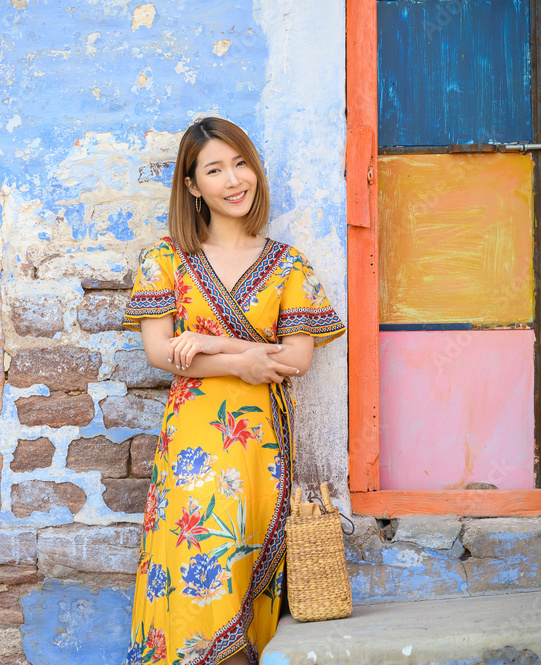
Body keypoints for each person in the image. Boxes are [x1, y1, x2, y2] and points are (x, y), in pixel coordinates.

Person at [122, 117, 345, 665]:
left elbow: (295, 358)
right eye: (215, 170)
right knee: (198, 585)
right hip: (193, 449)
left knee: (248, 583)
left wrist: (204, 342)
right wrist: (240, 359)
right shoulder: (166, 259)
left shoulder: (288, 263)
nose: (233, 179)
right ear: (194, 186)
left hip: (261, 451)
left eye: (240, 163)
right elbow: (159, 353)